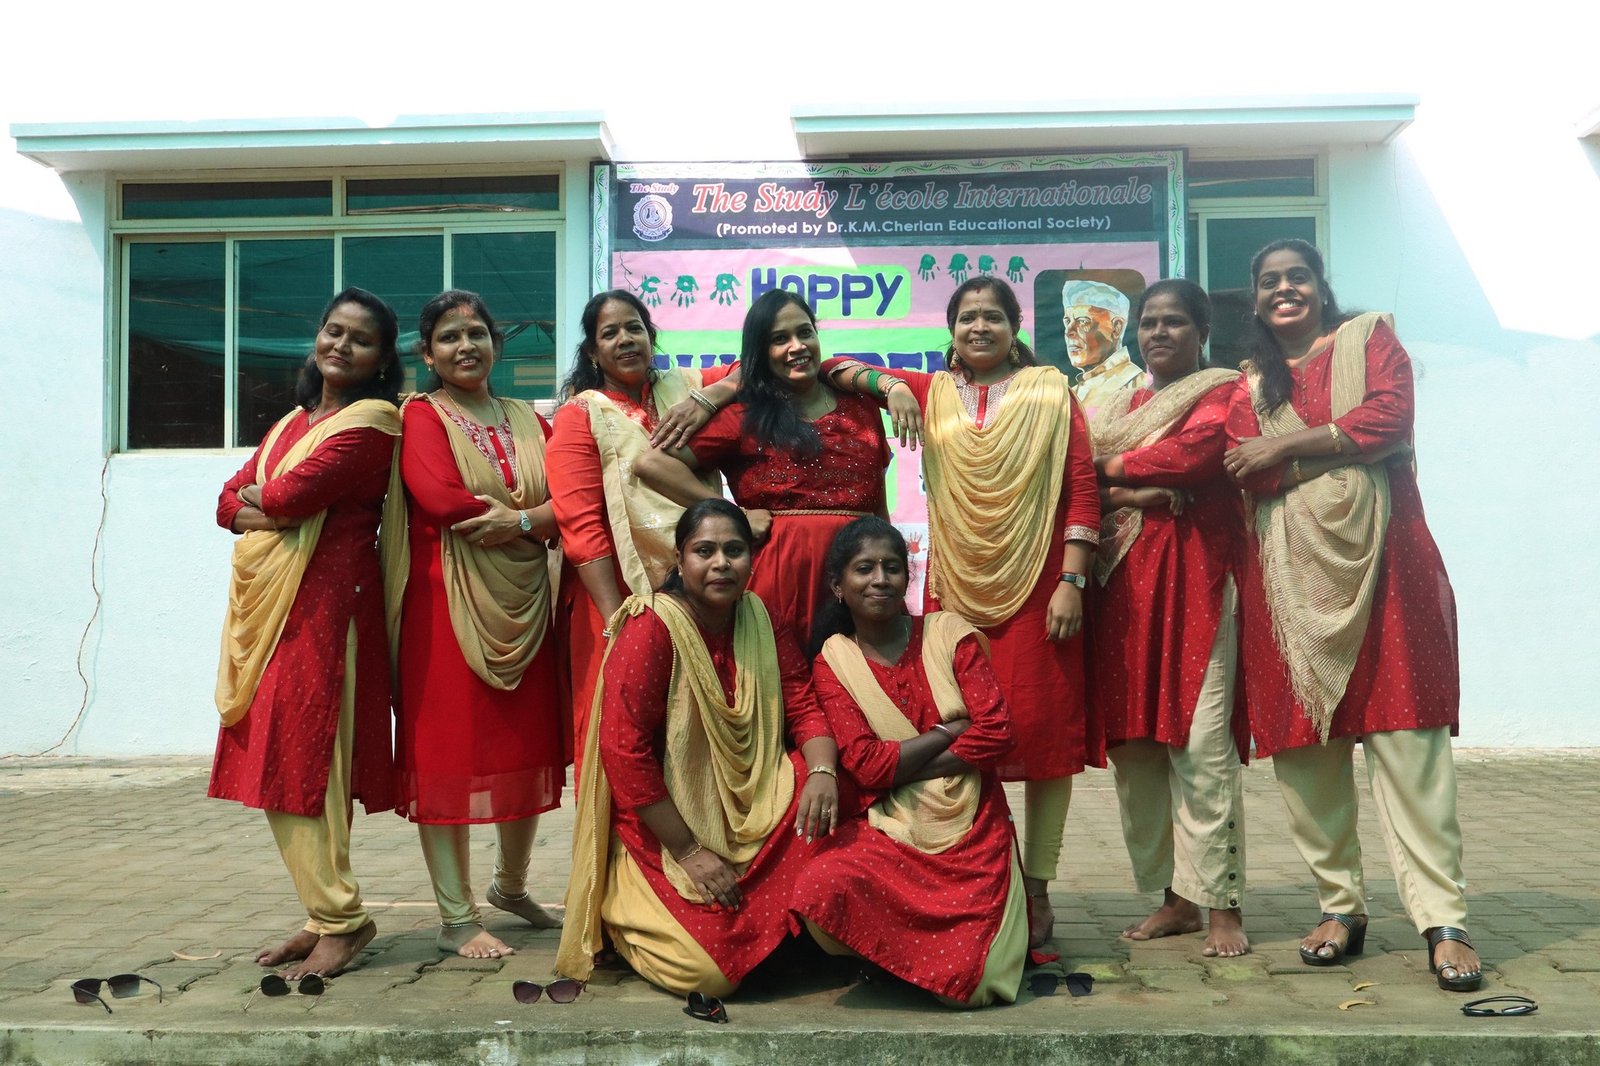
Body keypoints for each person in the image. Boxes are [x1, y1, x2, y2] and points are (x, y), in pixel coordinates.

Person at [1222, 239, 1478, 991]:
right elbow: (1244, 467)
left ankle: (1444, 920)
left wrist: (1290, 450)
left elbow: (1389, 419)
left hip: (1389, 566)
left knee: (1409, 743)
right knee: (1307, 751)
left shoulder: (1369, 342)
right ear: (1255, 298)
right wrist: (1341, 450)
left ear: (1321, 286)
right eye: (1269, 281)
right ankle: (1341, 907)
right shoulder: (1248, 382)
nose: (1284, 289)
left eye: (1297, 277)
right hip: (1287, 583)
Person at [823, 276, 1102, 949]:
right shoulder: (933, 391)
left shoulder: (1052, 392)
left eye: (993, 317)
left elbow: (1082, 488)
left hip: (1040, 587)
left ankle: (1038, 887)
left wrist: (1072, 580)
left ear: (1014, 327)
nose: (980, 328)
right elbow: (834, 366)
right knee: (961, 732)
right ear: (950, 330)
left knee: (1044, 742)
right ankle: (979, 875)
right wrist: (892, 385)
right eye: (967, 317)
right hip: (956, 595)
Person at [555, 499, 841, 996]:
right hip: (667, 823)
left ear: (751, 558)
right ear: (679, 559)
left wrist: (823, 773)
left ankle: (781, 933)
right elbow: (625, 754)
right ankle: (627, 921)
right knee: (709, 975)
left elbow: (802, 702)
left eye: (734, 550)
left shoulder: (760, 617)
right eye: (704, 551)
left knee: (834, 789)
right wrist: (688, 851)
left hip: (753, 804)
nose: (721, 563)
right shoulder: (651, 627)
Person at [210, 287, 403, 980]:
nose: (341, 345)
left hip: (329, 611)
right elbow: (226, 503)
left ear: (382, 360)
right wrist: (267, 505)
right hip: (274, 611)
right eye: (333, 330)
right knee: (288, 762)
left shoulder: (374, 422)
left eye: (361, 339)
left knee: (306, 764)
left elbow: (287, 495)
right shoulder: (294, 423)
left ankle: (343, 920)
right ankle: (325, 914)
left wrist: (267, 502)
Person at [394, 290, 566, 959]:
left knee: (523, 747)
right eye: (449, 336)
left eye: (476, 333)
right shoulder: (422, 416)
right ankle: (456, 918)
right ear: (427, 353)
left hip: (527, 604)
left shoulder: (529, 418)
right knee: (448, 756)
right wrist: (536, 518)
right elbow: (440, 498)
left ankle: (511, 888)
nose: (465, 346)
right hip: (445, 608)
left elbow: (573, 498)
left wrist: (524, 519)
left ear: (496, 343)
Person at [792, 518, 1027, 1007]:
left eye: (892, 567)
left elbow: (998, 733)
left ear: (907, 577)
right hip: (893, 825)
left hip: (972, 828)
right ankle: (895, 962)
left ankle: (916, 965)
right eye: (864, 569)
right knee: (820, 887)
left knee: (973, 988)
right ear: (838, 586)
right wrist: (948, 731)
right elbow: (865, 765)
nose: (880, 579)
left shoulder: (948, 635)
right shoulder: (834, 660)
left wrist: (899, 766)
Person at [1088, 279, 1249, 957]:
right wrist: (1135, 493)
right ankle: (1174, 898)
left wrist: (1109, 469)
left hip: (1198, 581)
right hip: (1123, 590)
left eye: (1174, 321)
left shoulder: (1224, 391)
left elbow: (1198, 453)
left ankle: (1222, 904)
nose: (1158, 332)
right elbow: (1073, 481)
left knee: (1202, 744)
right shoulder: (1118, 403)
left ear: (1201, 332)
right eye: (1149, 322)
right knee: (1135, 748)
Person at [546, 291, 739, 772]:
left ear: (651, 337)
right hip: (617, 589)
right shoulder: (580, 414)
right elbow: (581, 524)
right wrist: (618, 619)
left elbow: (750, 367)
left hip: (702, 587)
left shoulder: (686, 386)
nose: (625, 339)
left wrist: (709, 398)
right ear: (593, 352)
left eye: (634, 328)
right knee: (624, 723)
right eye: (609, 333)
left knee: (698, 718)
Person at [633, 289, 890, 640]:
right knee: (778, 672)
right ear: (761, 352)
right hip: (779, 581)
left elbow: (878, 506)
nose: (797, 346)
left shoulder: (862, 407)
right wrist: (735, 516)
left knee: (862, 671)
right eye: (779, 339)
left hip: (862, 579)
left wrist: (890, 566)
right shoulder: (745, 416)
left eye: (805, 332)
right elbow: (652, 463)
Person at [1062, 278, 1143, 415]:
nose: (1069, 331)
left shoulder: (1138, 385)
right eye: (1067, 321)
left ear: (1116, 328)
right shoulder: (1072, 391)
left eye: (1082, 321)